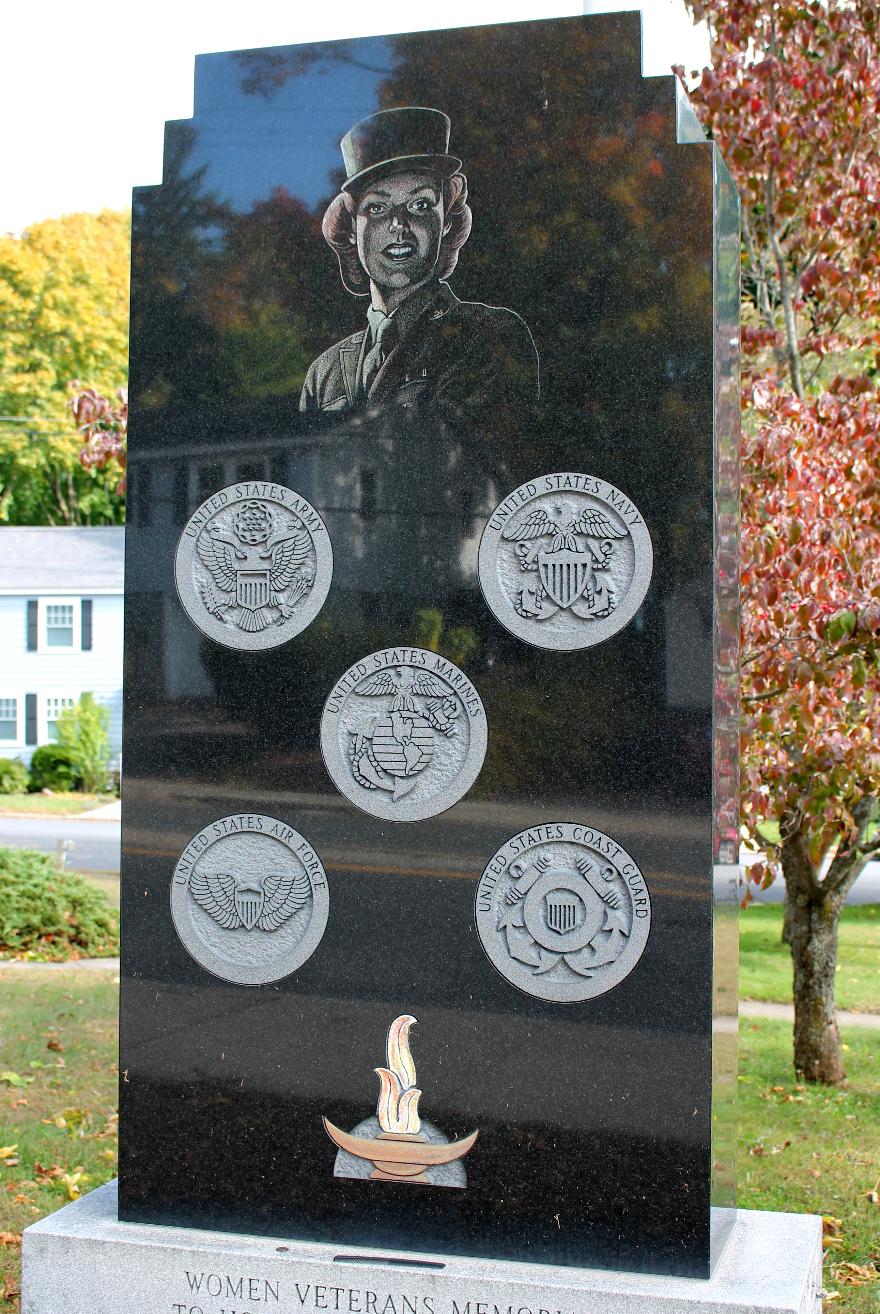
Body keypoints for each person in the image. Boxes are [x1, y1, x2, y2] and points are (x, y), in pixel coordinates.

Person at [300, 107, 539, 421]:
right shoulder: (324, 373)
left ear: (446, 222)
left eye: (420, 204)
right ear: (351, 229)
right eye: (376, 208)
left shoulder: (489, 335)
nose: (398, 224)